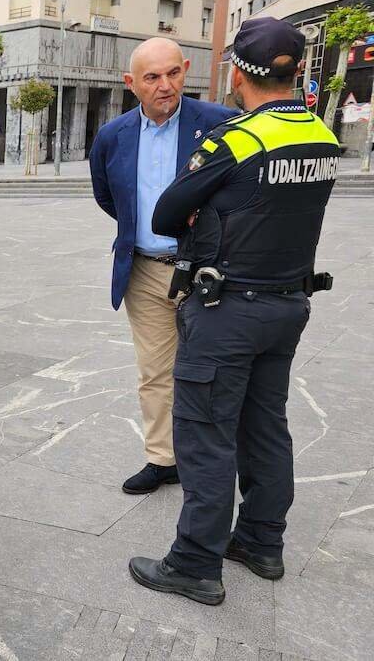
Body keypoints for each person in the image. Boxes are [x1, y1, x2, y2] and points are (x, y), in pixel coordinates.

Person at [129, 17, 340, 605]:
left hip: (227, 310)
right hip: (288, 305)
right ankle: (261, 543)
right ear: (295, 70)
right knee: (265, 427)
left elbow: (167, 213)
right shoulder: (320, 134)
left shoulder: (238, 139)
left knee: (204, 435)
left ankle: (195, 563)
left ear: (236, 72)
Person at [89, 38, 235, 495]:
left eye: (173, 73)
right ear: (131, 84)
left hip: (207, 271)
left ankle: (213, 462)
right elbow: (108, 196)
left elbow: (238, 194)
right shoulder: (112, 135)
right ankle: (163, 458)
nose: (165, 86)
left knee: (213, 373)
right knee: (155, 372)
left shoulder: (220, 123)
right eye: (152, 77)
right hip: (147, 271)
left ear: (186, 69)